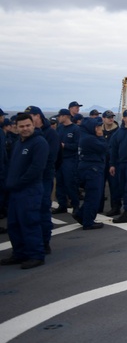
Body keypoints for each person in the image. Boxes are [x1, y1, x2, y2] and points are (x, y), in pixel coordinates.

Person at [1, 113, 48, 269]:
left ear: (33, 125)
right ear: (17, 127)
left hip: (30, 190)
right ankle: (19, 253)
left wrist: (18, 183)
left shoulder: (39, 143)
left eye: (28, 125)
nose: (25, 129)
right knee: (14, 224)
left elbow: (36, 169)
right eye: (21, 126)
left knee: (30, 222)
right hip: (15, 191)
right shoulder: (19, 143)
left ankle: (36, 255)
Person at [26, 106, 58, 254]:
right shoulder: (29, 134)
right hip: (30, 180)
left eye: (31, 116)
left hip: (44, 177)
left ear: (38, 116)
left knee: (43, 209)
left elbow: (53, 158)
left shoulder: (50, 134)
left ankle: (45, 242)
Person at [75, 117, 108, 230]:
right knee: (94, 196)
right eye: (97, 127)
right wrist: (101, 137)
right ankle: (88, 221)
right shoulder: (90, 139)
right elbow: (104, 147)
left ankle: (81, 215)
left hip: (88, 168)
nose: (100, 129)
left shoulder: (85, 136)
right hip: (92, 169)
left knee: (92, 195)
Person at [54, 109, 80, 214]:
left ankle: (75, 205)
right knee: (59, 183)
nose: (58, 118)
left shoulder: (75, 129)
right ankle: (62, 204)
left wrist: (66, 146)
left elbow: (78, 145)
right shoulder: (59, 128)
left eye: (60, 116)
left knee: (70, 183)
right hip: (60, 159)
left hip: (70, 159)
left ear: (65, 116)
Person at [101, 111, 121, 216]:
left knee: (114, 186)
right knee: (100, 185)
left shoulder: (117, 131)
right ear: (103, 118)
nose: (110, 119)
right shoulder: (99, 130)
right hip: (101, 161)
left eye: (112, 117)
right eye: (108, 117)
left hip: (114, 162)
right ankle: (99, 206)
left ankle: (115, 207)